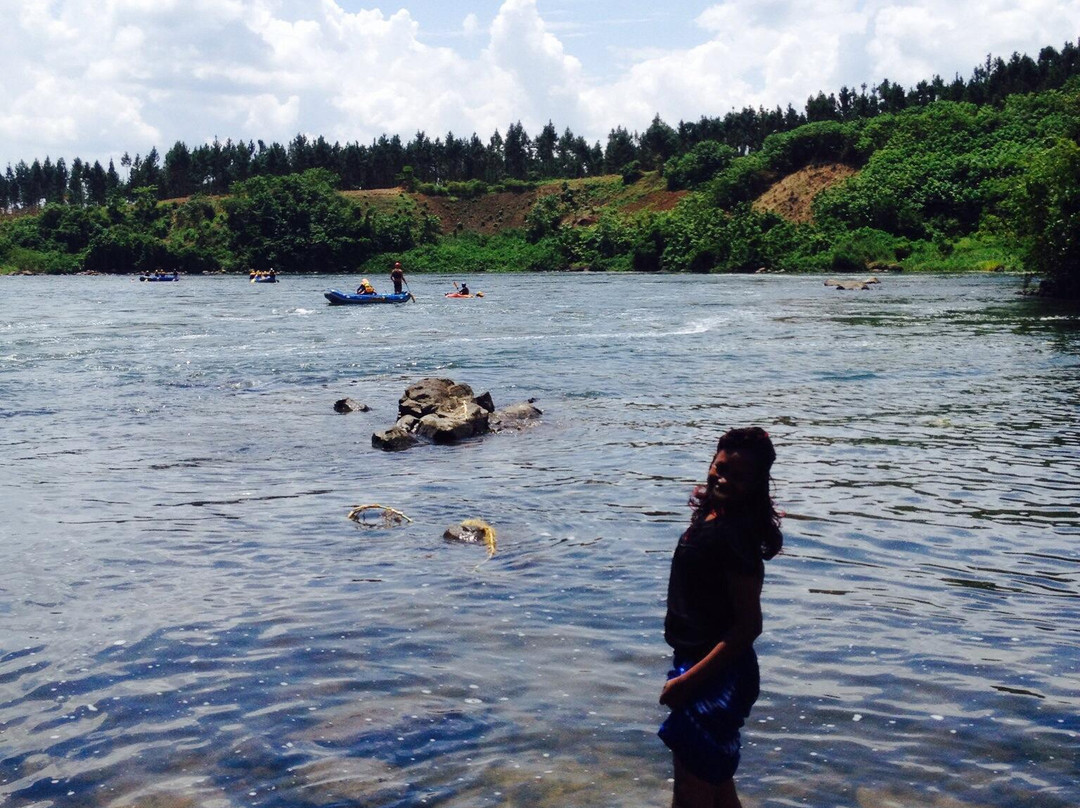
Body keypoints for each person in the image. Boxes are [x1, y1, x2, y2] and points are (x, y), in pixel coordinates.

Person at [659, 427, 783, 808]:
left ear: (758, 483)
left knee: (691, 797)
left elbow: (749, 626)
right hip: (703, 664)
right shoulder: (714, 515)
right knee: (717, 789)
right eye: (720, 467)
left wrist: (687, 683)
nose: (724, 479)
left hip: (717, 674)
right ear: (712, 462)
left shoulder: (733, 534)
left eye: (738, 476)